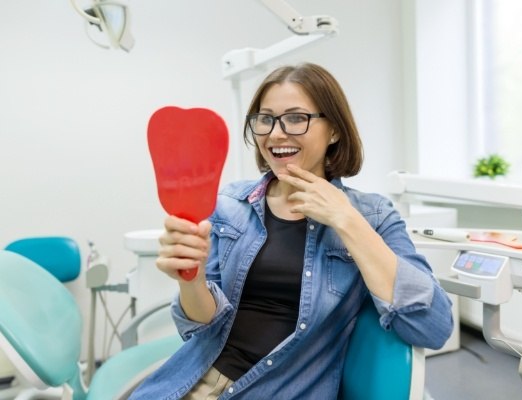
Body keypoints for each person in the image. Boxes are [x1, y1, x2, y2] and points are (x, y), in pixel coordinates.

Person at [129, 62, 453, 400]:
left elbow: (433, 326)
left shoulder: (373, 216)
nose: (276, 133)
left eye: (296, 118)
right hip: (191, 382)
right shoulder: (228, 205)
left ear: (334, 130)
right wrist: (190, 279)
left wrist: (346, 219)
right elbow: (200, 327)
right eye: (265, 119)